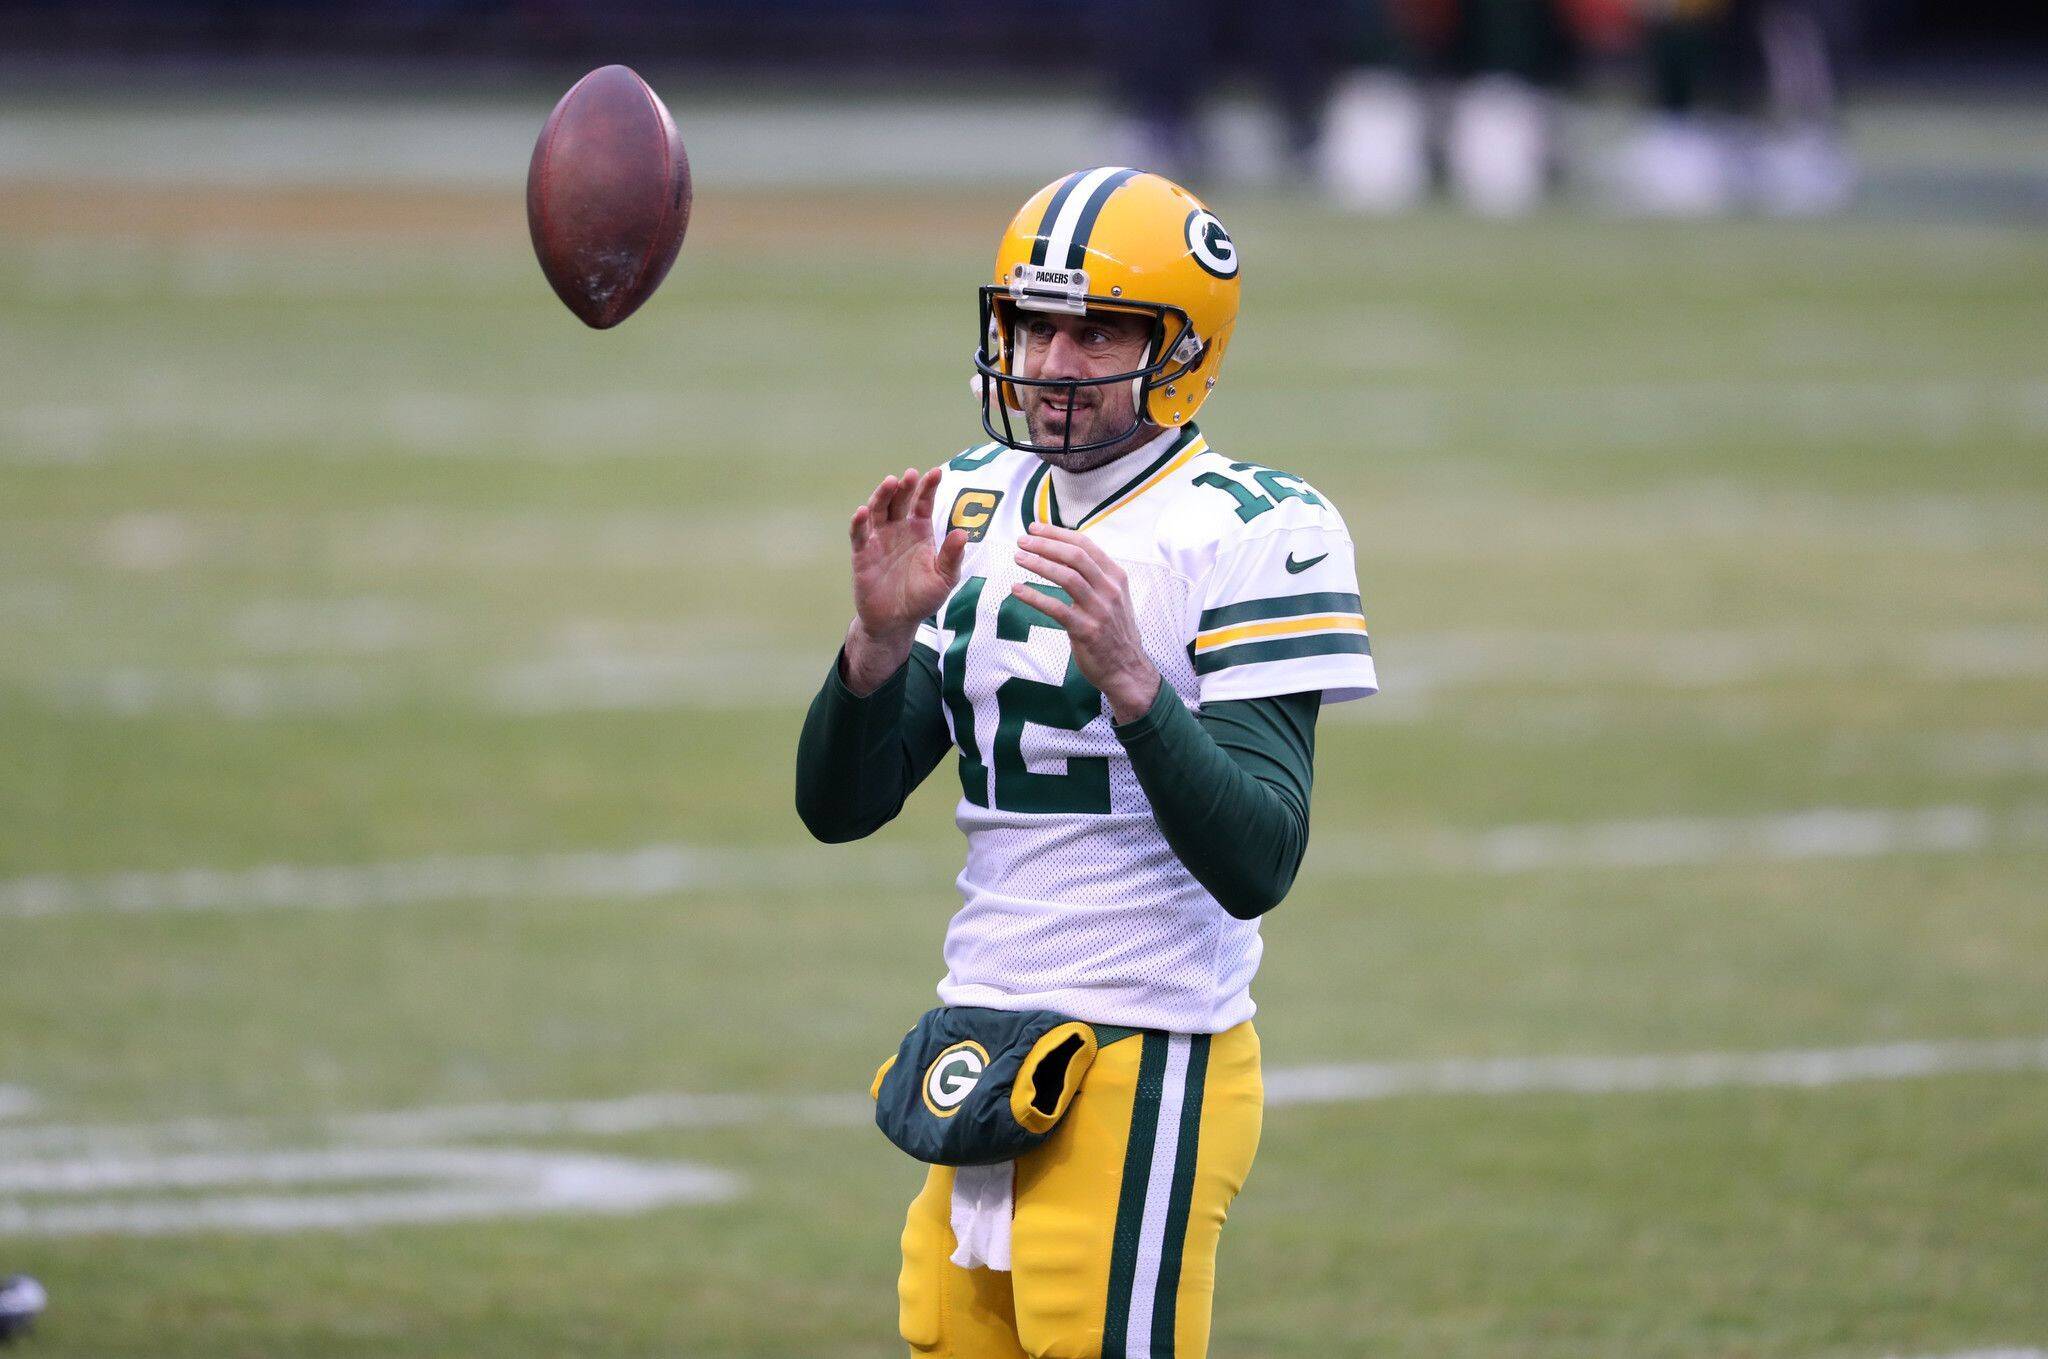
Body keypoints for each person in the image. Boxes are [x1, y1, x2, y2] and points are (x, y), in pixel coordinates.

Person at [795, 167, 1378, 1359]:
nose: (1053, 360)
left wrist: (1132, 681)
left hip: (1148, 1045)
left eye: (1096, 328)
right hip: (979, 1034)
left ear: (1179, 348)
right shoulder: (966, 496)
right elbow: (838, 807)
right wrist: (876, 644)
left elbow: (1259, 856)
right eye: (1032, 323)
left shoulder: (1256, 525)